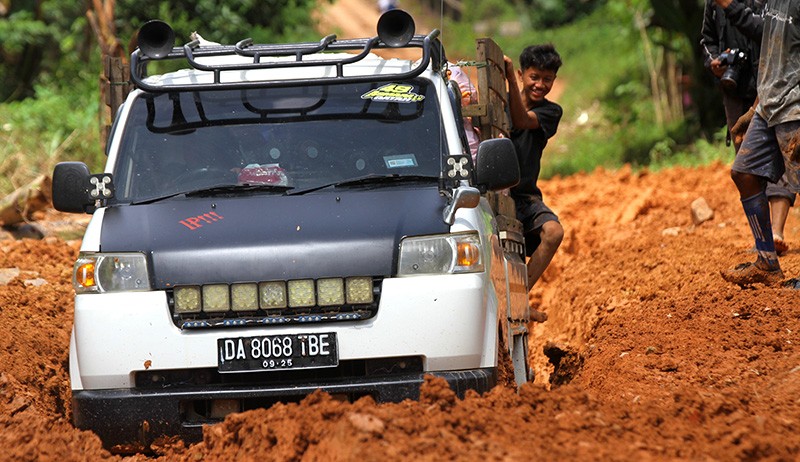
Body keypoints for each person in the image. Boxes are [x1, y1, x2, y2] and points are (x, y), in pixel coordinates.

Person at [700, 0, 795, 256]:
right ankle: (764, 248)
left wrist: (730, 6)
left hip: (778, 88)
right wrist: (715, 64)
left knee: (784, 160)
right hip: (744, 91)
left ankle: (776, 232)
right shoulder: (714, 3)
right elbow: (706, 39)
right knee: (745, 165)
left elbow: (770, 33)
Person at [503, 44, 564, 299]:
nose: (540, 84)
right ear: (521, 75)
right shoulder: (498, 104)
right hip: (494, 192)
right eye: (534, 77)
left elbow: (523, 121)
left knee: (553, 232)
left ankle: (519, 294)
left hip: (525, 197)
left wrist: (506, 77)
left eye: (547, 79)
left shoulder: (551, 111)